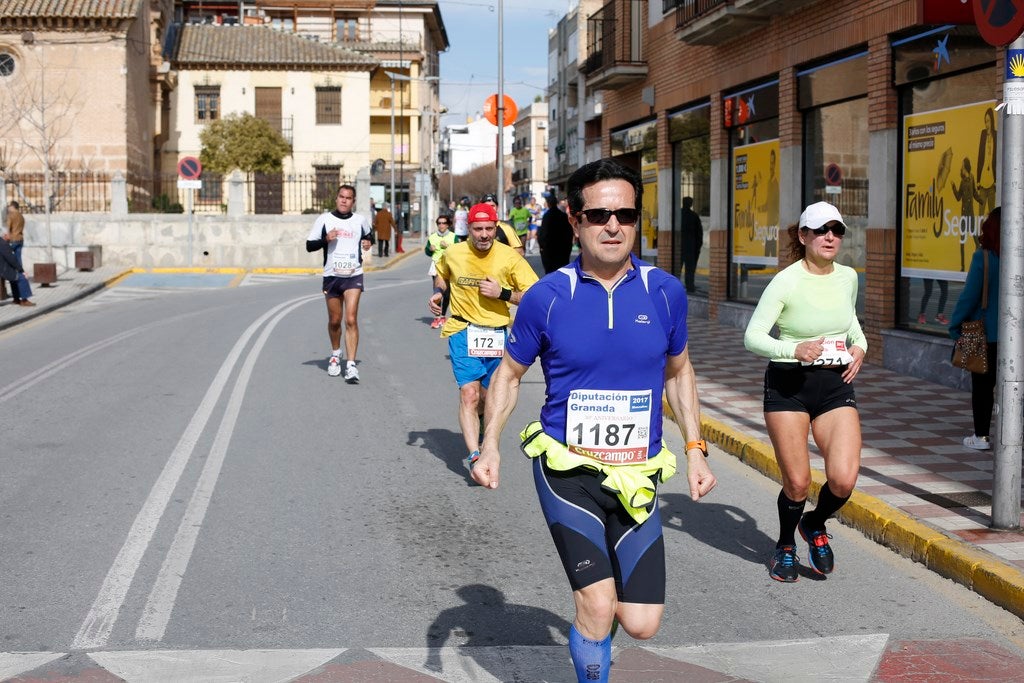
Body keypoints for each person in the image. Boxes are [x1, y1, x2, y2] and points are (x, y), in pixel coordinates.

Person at [473, 158, 716, 683]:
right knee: (599, 604)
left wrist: (695, 448)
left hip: (637, 472)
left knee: (643, 623)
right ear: (575, 218)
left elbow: (679, 372)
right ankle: (592, 623)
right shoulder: (546, 297)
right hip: (568, 470)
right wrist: (489, 444)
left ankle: (591, 621)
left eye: (626, 215)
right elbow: (509, 376)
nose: (613, 226)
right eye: (600, 214)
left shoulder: (664, 292)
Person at [743, 201, 867, 583]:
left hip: (834, 385)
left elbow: (851, 325)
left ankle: (814, 523)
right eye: (821, 229)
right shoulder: (787, 281)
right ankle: (784, 545)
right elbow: (753, 337)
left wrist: (860, 347)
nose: (830, 236)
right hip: (788, 387)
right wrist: (792, 349)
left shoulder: (848, 277)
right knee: (797, 482)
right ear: (804, 236)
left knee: (843, 479)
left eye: (837, 230)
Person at [429, 202, 538, 466]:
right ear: (469, 229)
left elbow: (536, 297)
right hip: (462, 329)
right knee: (469, 393)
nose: (484, 235)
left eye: (489, 228)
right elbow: (442, 274)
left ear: (496, 227)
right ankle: (477, 454)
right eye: (478, 229)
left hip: (496, 333)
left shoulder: (509, 257)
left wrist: (503, 293)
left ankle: (482, 426)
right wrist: (439, 292)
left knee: (488, 398)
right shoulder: (453, 253)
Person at [305, 184, 374, 383]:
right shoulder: (324, 220)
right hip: (332, 275)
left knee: (351, 319)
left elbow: (369, 236)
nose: (344, 200)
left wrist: (368, 242)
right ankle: (336, 354)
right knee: (335, 321)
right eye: (341, 197)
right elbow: (310, 245)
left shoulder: (360, 220)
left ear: (353, 201)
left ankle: (351, 365)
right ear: (336, 199)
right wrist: (326, 239)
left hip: (354, 275)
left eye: (349, 198)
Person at [949, 207, 1001, 451]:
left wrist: (955, 325)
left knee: (982, 387)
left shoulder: (984, 257)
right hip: (1015, 338)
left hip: (986, 335)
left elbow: (969, 296)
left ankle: (981, 437)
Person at [425, 213, 457, 329]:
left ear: (448, 225)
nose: (441, 225)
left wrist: (448, 246)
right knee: (437, 291)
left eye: (444, 223)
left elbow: (459, 251)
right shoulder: (432, 237)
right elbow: (427, 252)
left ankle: (443, 316)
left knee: (447, 293)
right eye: (439, 223)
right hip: (436, 266)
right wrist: (430, 249)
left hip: (449, 266)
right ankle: (437, 317)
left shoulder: (454, 237)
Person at [537, 193, 573, 274]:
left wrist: (542, 247)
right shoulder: (563, 215)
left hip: (550, 250)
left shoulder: (547, 216)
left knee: (551, 273)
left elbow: (543, 233)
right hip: (562, 250)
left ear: (548, 203)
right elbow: (569, 232)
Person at [0, 233, 34, 307]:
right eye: (9, 236)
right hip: (3, 269)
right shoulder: (3, 244)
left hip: (3, 268)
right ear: (5, 236)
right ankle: (24, 300)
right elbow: (12, 259)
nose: (11, 239)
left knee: (14, 279)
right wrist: (21, 270)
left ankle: (16, 299)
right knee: (22, 277)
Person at [680, 196, 703, 294]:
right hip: (690, 248)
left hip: (680, 247)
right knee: (690, 270)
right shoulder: (694, 216)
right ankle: (690, 287)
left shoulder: (678, 214)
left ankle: (675, 288)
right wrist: (697, 247)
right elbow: (699, 233)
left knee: (676, 269)